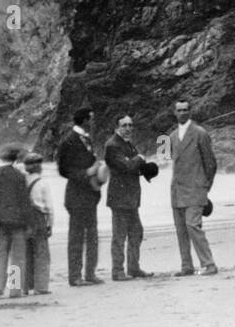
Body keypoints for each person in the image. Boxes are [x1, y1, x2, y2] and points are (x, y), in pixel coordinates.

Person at [104, 115, 157, 281]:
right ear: (117, 127)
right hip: (120, 197)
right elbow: (126, 166)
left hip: (130, 197)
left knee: (136, 232)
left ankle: (133, 268)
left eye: (130, 125)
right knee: (119, 235)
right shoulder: (112, 145)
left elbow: (132, 166)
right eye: (125, 125)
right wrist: (140, 158)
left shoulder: (126, 143)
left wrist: (146, 169)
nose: (128, 128)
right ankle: (118, 271)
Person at [169, 100, 218, 276]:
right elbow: (168, 161)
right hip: (177, 190)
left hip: (195, 189)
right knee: (181, 229)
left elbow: (211, 164)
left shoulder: (200, 133)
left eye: (185, 110)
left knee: (193, 226)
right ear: (174, 112)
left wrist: (205, 187)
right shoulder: (172, 136)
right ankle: (186, 266)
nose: (182, 113)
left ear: (190, 111)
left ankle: (209, 264)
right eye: (179, 110)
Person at [57, 108, 103, 286]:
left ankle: (90, 273)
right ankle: (75, 275)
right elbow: (64, 170)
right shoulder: (69, 140)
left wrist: (97, 173)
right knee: (76, 237)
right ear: (84, 120)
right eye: (91, 119)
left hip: (90, 194)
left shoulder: (86, 138)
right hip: (76, 195)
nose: (93, 122)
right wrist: (87, 173)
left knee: (92, 235)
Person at [0, 144, 31, 299]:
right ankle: (14, 289)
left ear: (2, 158)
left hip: (2, 219)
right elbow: (25, 201)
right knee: (17, 257)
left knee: (1, 255)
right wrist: (28, 221)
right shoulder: (20, 176)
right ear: (15, 160)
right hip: (18, 219)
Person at [23, 152, 54, 295]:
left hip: (24, 220)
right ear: (39, 167)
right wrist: (50, 225)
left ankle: (19, 287)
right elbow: (49, 207)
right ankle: (40, 287)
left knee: (23, 254)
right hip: (38, 219)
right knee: (41, 254)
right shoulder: (42, 183)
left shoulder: (22, 181)